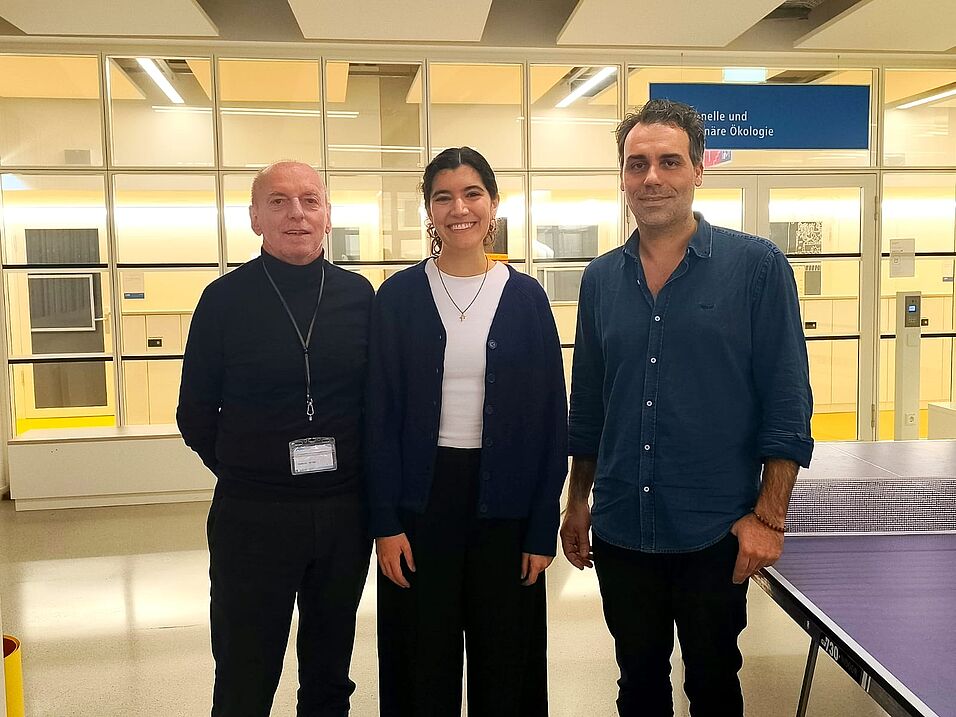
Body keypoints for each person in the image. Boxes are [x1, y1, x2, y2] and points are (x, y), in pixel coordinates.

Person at [560, 99, 814, 716]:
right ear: (623, 176)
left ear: (699, 169)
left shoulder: (756, 268)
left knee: (714, 685)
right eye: (637, 164)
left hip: (715, 530)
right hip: (621, 527)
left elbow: (787, 402)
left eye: (669, 162)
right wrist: (576, 502)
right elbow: (589, 405)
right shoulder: (600, 280)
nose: (652, 178)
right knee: (637, 685)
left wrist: (769, 518)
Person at [366, 147, 568, 717]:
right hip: (419, 508)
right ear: (429, 210)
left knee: (506, 664)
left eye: (472, 193)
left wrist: (541, 528)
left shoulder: (526, 298)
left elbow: (551, 419)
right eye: (444, 197)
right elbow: (377, 418)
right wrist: (385, 523)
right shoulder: (397, 298)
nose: (460, 209)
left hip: (506, 508)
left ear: (494, 204)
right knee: (420, 661)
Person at [177, 161, 373, 717]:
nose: (297, 214)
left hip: (343, 513)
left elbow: (376, 402)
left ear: (328, 215)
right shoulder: (223, 300)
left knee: (330, 671)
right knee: (245, 670)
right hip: (253, 516)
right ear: (255, 217)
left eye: (310, 200)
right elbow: (194, 413)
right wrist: (250, 469)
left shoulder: (360, 297)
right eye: (279, 201)